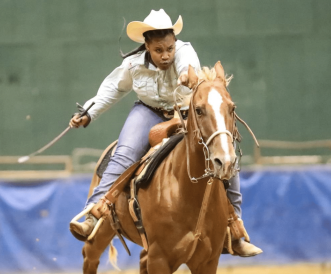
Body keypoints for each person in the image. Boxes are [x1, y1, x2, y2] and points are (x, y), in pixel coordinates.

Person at [69, 9, 262, 257]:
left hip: (183, 112)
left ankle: (234, 230)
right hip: (147, 112)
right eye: (159, 50)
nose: (165, 55)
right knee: (124, 153)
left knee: (226, 153)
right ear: (147, 46)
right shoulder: (132, 65)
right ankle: (94, 214)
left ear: (174, 43)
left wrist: (185, 75)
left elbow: (187, 65)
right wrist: (88, 112)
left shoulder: (183, 51)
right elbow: (111, 90)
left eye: (169, 48)